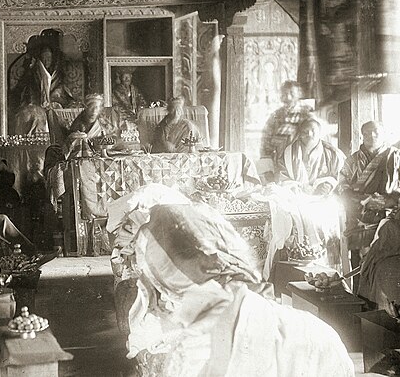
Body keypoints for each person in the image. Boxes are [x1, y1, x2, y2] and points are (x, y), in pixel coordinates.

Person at [126, 203, 354, 377]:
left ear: (211, 262)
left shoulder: (310, 337)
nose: (158, 304)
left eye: (167, 285)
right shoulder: (182, 354)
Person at [338, 121, 400, 271]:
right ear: (362, 136)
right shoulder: (352, 160)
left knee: (384, 265)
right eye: (366, 133)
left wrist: (388, 201)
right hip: (359, 218)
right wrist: (364, 200)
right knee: (358, 265)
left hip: (388, 219)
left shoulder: (396, 157)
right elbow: (341, 187)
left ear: (384, 134)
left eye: (376, 132)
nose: (371, 135)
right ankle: (357, 294)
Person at [275, 117, 345, 195]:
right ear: (300, 134)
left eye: (313, 131)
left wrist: (329, 184)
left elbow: (341, 176)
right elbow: (281, 177)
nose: (309, 134)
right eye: (305, 132)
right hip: (296, 197)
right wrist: (293, 187)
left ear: (320, 133)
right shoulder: (288, 153)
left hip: (323, 197)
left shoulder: (333, 154)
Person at [260, 80, 314, 163]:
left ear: (299, 94)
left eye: (292, 93)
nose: (288, 97)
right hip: (279, 160)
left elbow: (312, 139)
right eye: (284, 94)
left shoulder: (306, 114)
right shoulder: (276, 115)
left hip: (300, 161)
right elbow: (265, 139)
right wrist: (266, 159)